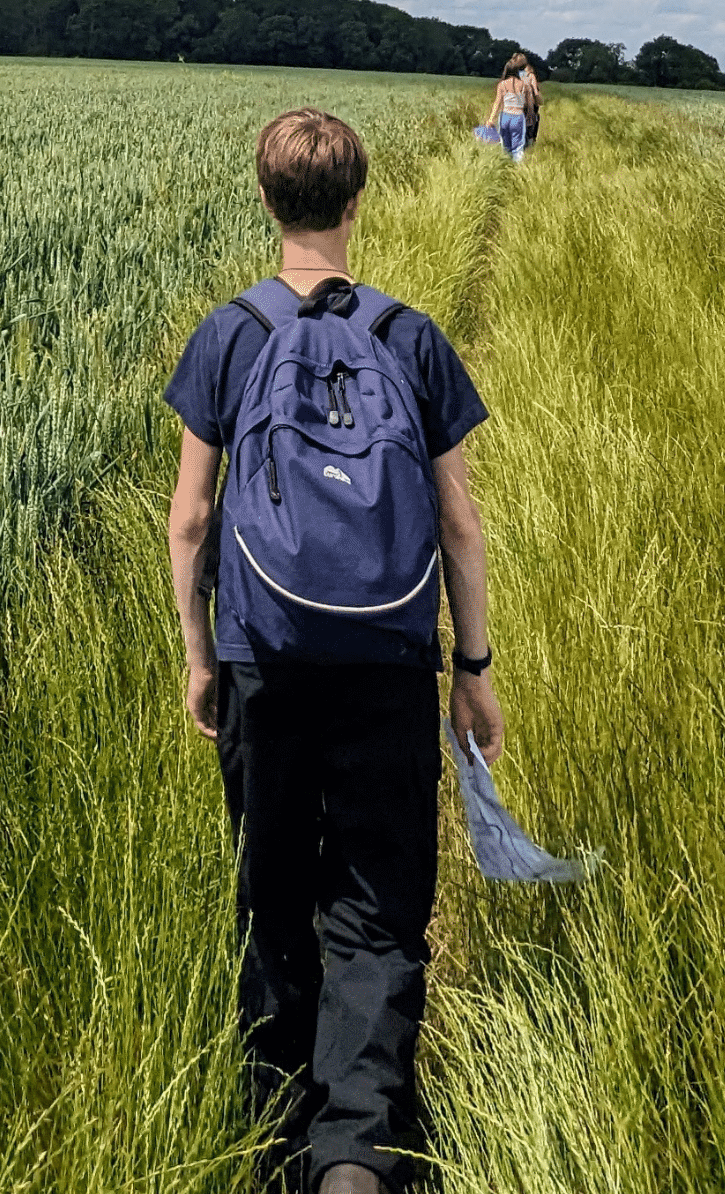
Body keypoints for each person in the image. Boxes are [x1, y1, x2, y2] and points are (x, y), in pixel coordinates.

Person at [164, 108, 505, 1194]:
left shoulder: (227, 335)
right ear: (359, 203)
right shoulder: (409, 338)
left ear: (264, 201)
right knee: (376, 893)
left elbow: (187, 519)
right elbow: (458, 523)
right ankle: (357, 1145)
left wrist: (198, 654)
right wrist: (473, 670)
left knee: (272, 888)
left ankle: (273, 1132)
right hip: (390, 661)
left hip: (262, 650)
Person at [491, 61, 532, 162]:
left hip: (505, 116)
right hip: (518, 116)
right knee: (517, 147)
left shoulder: (502, 84)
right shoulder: (524, 85)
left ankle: (505, 166)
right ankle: (516, 170)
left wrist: (491, 119)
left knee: (505, 146)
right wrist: (530, 115)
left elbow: (497, 103)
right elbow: (529, 103)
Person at [510, 51, 543, 147]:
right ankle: (529, 146)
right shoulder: (530, 76)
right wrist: (538, 102)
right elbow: (536, 92)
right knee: (530, 130)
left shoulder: (512, 75)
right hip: (528, 106)